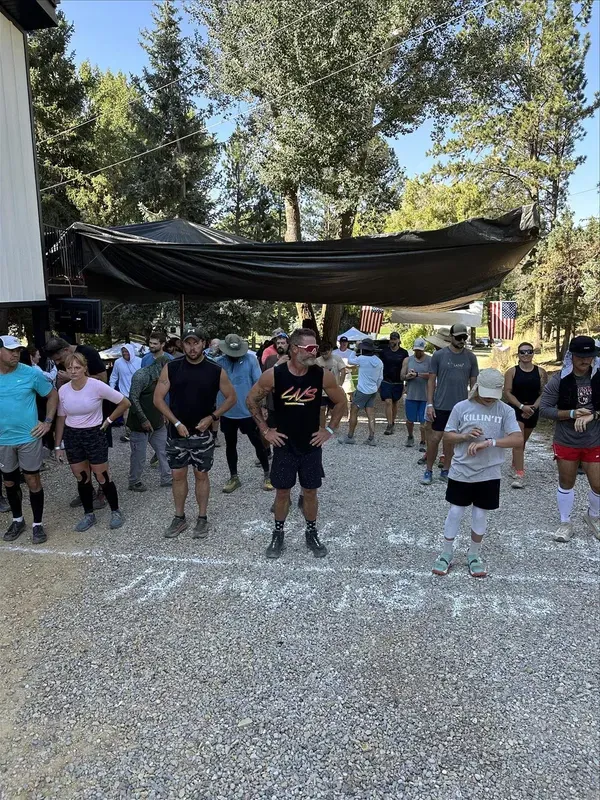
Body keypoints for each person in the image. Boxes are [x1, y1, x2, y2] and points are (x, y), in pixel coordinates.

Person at [246, 328, 347, 559]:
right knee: (282, 492)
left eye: (316, 348)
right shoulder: (274, 375)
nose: (314, 352)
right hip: (284, 445)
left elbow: (341, 401)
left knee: (310, 491)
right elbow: (251, 400)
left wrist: (329, 430)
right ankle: (278, 534)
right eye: (309, 348)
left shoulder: (322, 375)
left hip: (311, 445)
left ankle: (311, 532)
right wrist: (265, 430)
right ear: (293, 349)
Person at [431, 368, 522, 578]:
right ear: (478, 387)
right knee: (455, 511)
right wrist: (465, 436)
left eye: (493, 394)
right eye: (486, 393)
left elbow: (517, 439)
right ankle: (446, 553)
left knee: (480, 513)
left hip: (489, 472)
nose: (489, 398)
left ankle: (474, 555)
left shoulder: (505, 411)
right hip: (461, 470)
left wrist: (490, 442)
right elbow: (448, 436)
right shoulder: (461, 407)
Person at [154, 328, 236, 540]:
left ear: (204, 344)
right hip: (177, 433)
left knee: (201, 475)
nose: (192, 348)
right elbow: (158, 399)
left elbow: (231, 398)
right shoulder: (172, 367)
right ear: (182, 345)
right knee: (178, 475)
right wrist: (175, 422)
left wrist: (212, 417)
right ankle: (179, 517)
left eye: (196, 343)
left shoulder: (215, 370)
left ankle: (202, 518)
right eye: (188, 343)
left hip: (202, 433)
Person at [54, 352, 130, 531]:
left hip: (94, 433)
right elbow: (61, 417)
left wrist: (109, 420)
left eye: (77, 367)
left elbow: (125, 402)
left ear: (84, 368)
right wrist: (58, 445)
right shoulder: (63, 390)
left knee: (102, 475)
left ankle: (115, 511)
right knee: (82, 477)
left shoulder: (96, 386)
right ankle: (89, 514)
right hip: (73, 435)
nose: (73, 371)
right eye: (69, 368)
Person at [539, 335, 599, 542]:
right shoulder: (559, 380)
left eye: (589, 356)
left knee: (598, 484)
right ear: (571, 355)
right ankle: (565, 522)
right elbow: (544, 409)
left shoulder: (598, 377)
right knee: (566, 482)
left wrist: (593, 415)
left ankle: (593, 517)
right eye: (581, 356)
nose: (585, 360)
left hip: (594, 439)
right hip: (566, 440)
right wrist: (571, 413)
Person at [0, 335, 57, 544]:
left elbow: (53, 395)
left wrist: (48, 422)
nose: (16, 354)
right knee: (9, 481)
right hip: (3, 440)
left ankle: (37, 524)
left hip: (28, 437)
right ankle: (18, 520)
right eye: (11, 350)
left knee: (33, 480)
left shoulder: (31, 373)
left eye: (18, 350)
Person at [45, 336, 111, 510]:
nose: (58, 363)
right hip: (73, 416)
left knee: (98, 458)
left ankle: (103, 490)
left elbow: (103, 379)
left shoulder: (89, 352)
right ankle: (86, 490)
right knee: (79, 458)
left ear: (66, 350)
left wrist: (72, 378)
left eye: (59, 359)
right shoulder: (63, 361)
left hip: (95, 414)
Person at [215, 334, 272, 493]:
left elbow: (260, 384)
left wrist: (262, 406)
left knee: (257, 443)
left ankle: (267, 474)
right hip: (227, 412)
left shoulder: (251, 360)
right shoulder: (218, 363)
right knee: (230, 445)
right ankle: (234, 477)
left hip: (248, 412)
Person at [423, 323, 479, 485]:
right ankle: (428, 470)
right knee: (434, 439)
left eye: (464, 337)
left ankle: (446, 470)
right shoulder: (439, 355)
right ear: (451, 337)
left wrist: (473, 404)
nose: (462, 340)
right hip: (441, 405)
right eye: (459, 337)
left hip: (460, 407)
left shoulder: (470, 357)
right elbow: (431, 381)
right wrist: (429, 404)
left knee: (451, 440)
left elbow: (474, 383)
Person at [504, 343, 548, 489]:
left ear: (533, 353)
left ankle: (516, 461)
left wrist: (533, 408)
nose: (526, 354)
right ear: (518, 354)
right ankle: (519, 474)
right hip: (516, 408)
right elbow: (507, 392)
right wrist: (521, 407)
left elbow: (544, 393)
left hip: (533, 409)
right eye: (522, 352)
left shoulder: (541, 372)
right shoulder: (512, 372)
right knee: (519, 440)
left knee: (523, 442)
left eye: (529, 351)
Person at [127, 354, 173, 492]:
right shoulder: (141, 375)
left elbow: (161, 397)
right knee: (139, 455)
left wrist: (164, 413)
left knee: (164, 450)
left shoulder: (162, 377)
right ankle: (134, 481)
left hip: (157, 421)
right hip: (139, 425)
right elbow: (133, 398)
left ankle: (167, 477)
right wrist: (143, 419)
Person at [340, 338, 383, 446]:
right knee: (371, 414)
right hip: (373, 391)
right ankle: (371, 438)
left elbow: (350, 360)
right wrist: (375, 388)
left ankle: (350, 436)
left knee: (354, 411)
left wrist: (355, 348)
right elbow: (380, 378)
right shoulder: (379, 361)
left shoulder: (362, 359)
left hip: (362, 390)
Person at [401, 337, 432, 449]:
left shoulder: (430, 360)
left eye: (420, 350)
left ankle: (423, 441)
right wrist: (407, 376)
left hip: (425, 395)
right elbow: (401, 376)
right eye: (416, 350)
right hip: (411, 395)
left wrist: (418, 374)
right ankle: (410, 436)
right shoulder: (407, 360)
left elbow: (432, 375)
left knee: (424, 423)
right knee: (410, 420)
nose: (418, 352)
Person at [378, 332, 409, 435]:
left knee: (395, 403)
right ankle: (389, 424)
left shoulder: (404, 353)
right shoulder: (384, 352)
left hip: (398, 381)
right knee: (388, 402)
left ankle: (393, 422)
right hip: (386, 380)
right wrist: (378, 381)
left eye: (395, 339)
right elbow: (379, 366)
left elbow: (406, 367)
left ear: (399, 340)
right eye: (391, 339)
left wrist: (406, 383)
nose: (392, 341)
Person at [316, 341, 346, 428]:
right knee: (321, 409)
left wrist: (340, 384)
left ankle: (333, 426)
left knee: (334, 409)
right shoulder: (317, 361)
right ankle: (322, 428)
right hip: (321, 390)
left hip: (334, 389)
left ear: (331, 350)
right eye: (322, 354)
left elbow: (343, 371)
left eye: (326, 353)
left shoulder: (337, 358)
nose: (324, 356)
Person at [333, 336, 356, 407]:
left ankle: (349, 412)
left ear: (347, 343)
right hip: (336, 375)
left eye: (345, 342)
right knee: (334, 394)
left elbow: (356, 366)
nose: (343, 344)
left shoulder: (351, 353)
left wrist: (346, 366)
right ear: (339, 343)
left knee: (349, 396)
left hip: (347, 375)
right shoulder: (334, 352)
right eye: (342, 342)